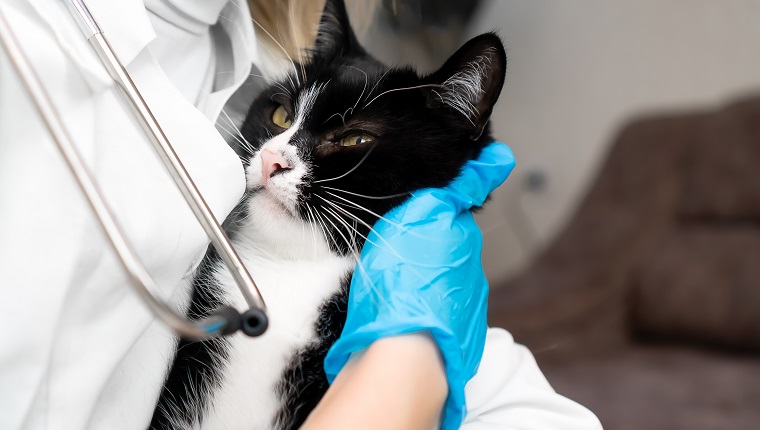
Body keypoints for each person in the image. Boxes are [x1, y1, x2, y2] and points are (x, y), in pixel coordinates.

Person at [0, 0, 601, 429]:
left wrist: (418, 335)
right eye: (283, 120)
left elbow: (546, 417)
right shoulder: (32, 37)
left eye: (350, 139)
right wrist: (408, 363)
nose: (275, 154)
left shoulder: (398, 277)